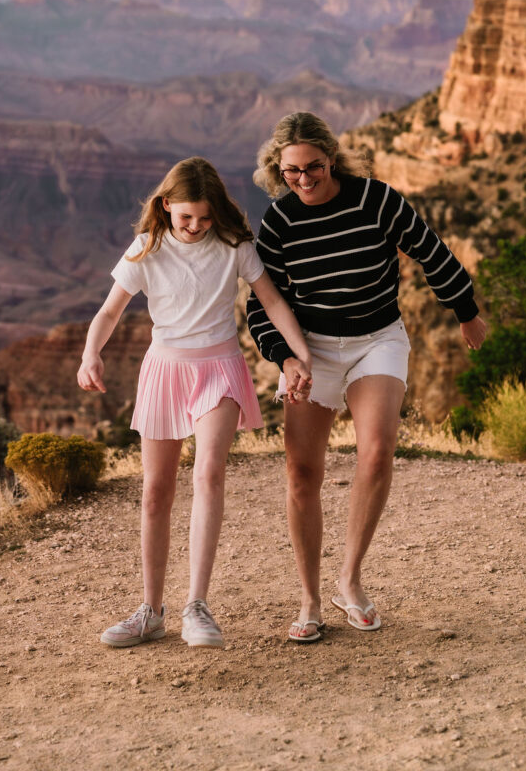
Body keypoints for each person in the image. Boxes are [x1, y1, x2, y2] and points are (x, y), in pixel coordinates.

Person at [247, 112, 487, 643]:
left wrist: (465, 310)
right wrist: (285, 359)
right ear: (277, 169)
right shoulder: (279, 222)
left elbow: (430, 249)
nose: (305, 179)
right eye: (291, 171)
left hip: (377, 338)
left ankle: (349, 580)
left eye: (314, 167)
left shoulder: (376, 199)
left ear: (331, 158)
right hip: (309, 352)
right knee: (302, 474)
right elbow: (263, 304)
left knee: (376, 451)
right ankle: (309, 599)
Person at [77, 157, 312, 649]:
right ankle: (150, 612)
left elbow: (271, 302)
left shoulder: (234, 246)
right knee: (156, 490)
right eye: (186, 217)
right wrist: (90, 354)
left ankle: (196, 606)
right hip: (164, 370)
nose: (196, 227)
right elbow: (109, 310)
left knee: (208, 473)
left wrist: (299, 355)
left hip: (220, 367)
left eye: (204, 218)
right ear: (167, 207)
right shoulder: (147, 247)